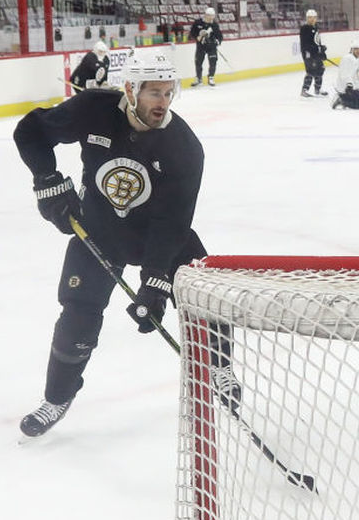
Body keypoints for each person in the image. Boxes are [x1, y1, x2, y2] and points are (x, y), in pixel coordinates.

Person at [12, 51, 219, 437]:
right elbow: (30, 131)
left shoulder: (184, 147)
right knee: (76, 316)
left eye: (168, 92)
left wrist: (155, 280)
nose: (162, 102)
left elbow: (173, 221)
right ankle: (58, 396)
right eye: (153, 92)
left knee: (208, 297)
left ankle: (219, 371)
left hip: (161, 237)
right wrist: (47, 181)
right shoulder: (94, 109)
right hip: (99, 232)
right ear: (130, 89)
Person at [333, 37, 359, 109]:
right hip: (346, 89)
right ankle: (341, 99)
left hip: (354, 88)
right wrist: (349, 84)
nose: (358, 51)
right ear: (352, 50)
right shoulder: (347, 59)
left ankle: (345, 100)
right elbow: (344, 74)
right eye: (356, 49)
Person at [189, 6, 222, 87]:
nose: (211, 18)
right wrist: (197, 37)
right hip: (201, 47)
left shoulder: (214, 25)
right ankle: (198, 78)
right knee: (198, 62)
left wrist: (217, 42)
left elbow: (220, 36)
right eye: (210, 16)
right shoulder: (198, 23)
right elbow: (192, 33)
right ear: (206, 15)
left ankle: (211, 77)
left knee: (213, 62)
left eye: (213, 16)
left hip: (211, 47)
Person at [299, 8, 328, 98]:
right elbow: (306, 43)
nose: (312, 19)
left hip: (316, 53)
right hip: (308, 54)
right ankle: (305, 90)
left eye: (314, 17)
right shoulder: (305, 28)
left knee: (321, 69)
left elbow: (316, 41)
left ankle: (317, 89)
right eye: (310, 17)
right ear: (307, 18)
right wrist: (316, 49)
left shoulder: (315, 28)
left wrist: (321, 50)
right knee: (311, 70)